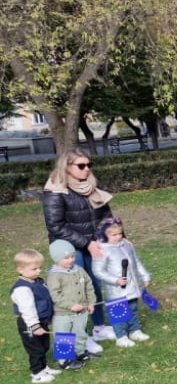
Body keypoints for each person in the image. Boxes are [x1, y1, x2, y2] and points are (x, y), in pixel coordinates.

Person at [42, 148, 115, 348]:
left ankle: (99, 327)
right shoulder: (55, 191)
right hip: (70, 248)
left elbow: (106, 217)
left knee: (95, 285)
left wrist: (118, 237)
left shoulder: (91, 187)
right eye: (81, 166)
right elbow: (55, 226)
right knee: (76, 290)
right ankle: (82, 335)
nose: (86, 170)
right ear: (67, 167)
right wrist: (87, 243)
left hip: (93, 244)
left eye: (88, 165)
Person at [94, 217, 152, 348]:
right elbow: (98, 271)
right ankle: (121, 336)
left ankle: (134, 330)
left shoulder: (126, 246)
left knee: (133, 309)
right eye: (113, 235)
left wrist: (145, 276)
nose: (117, 237)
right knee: (119, 313)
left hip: (132, 286)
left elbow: (136, 262)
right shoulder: (102, 250)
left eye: (120, 234)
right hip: (116, 291)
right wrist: (115, 280)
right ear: (105, 234)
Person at [11, 249, 62, 383]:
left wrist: (48, 317)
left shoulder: (38, 281)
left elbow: (45, 300)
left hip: (42, 320)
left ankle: (44, 367)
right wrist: (34, 326)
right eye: (34, 269)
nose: (38, 271)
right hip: (30, 323)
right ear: (20, 270)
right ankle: (37, 374)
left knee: (44, 345)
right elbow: (28, 310)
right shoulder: (22, 289)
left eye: (40, 268)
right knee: (35, 349)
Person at [46, 239, 95, 370]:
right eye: (66, 258)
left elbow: (89, 286)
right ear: (56, 259)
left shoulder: (79, 270)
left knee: (80, 333)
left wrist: (91, 302)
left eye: (72, 256)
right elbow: (55, 294)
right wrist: (70, 305)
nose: (70, 260)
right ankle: (64, 361)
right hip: (63, 313)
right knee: (64, 336)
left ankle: (81, 353)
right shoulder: (54, 275)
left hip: (81, 310)